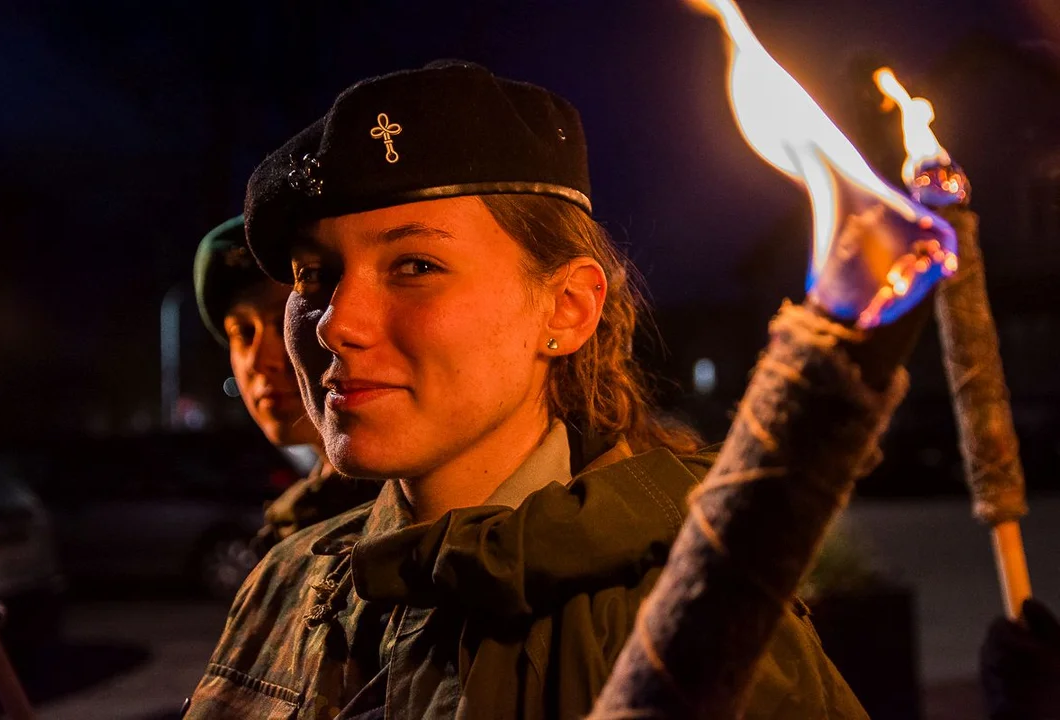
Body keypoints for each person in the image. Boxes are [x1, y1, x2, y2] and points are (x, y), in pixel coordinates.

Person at [185, 60, 866, 718]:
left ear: (567, 308)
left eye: (415, 265)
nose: (336, 322)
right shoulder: (288, 582)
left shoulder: (690, 629)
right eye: (313, 276)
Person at [193, 217, 380, 552]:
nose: (258, 361)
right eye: (243, 334)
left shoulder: (400, 514)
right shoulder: (305, 513)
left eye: (282, 323)